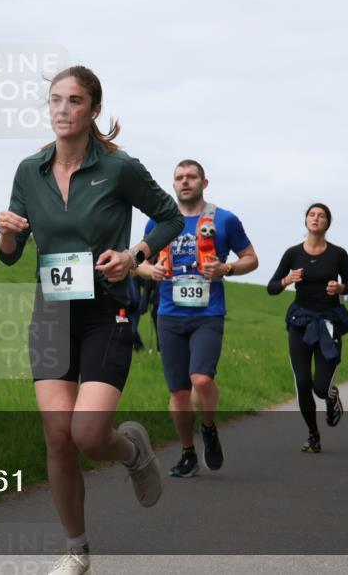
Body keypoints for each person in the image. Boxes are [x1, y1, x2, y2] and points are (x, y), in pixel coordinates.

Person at [0, 65, 183, 575]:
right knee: (58, 435)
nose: (62, 109)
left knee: (88, 433)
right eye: (55, 100)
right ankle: (76, 550)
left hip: (107, 309)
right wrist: (9, 233)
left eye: (74, 100)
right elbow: (9, 255)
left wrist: (134, 252)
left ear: (94, 108)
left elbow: (171, 216)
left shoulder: (119, 169)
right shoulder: (28, 171)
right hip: (52, 310)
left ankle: (131, 452)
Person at [137, 160, 258, 477]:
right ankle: (187, 453)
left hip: (208, 313)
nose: (184, 182)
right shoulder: (159, 223)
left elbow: (251, 259)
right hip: (169, 314)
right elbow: (137, 261)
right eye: (178, 178)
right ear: (173, 185)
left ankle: (208, 427)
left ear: (205, 182)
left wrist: (225, 269)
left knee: (201, 379)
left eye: (191, 177)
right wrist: (148, 269)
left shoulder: (225, 219)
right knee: (178, 392)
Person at [267, 203, 348, 453]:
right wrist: (287, 279)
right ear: (305, 220)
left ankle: (330, 396)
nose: (316, 219)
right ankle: (313, 434)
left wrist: (340, 289)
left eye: (321, 216)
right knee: (303, 382)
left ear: (328, 223)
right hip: (301, 323)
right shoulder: (292, 253)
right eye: (312, 215)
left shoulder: (338, 254)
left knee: (320, 387)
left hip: (329, 323)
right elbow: (272, 287)